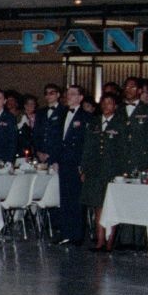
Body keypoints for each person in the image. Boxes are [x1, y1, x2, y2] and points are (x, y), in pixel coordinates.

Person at [81, 94, 124, 251]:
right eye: (104, 103)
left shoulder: (120, 124)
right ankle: (100, 240)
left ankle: (110, 241)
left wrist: (122, 172)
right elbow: (87, 147)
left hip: (112, 170)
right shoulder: (94, 122)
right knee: (97, 205)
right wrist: (84, 168)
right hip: (95, 169)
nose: (106, 106)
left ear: (115, 106)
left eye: (110, 103)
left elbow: (123, 150)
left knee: (111, 205)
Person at [52, 84, 92, 246]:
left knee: (76, 199)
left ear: (81, 98)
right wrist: (55, 159)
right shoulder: (61, 114)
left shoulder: (86, 117)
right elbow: (57, 140)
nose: (69, 97)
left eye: (73, 94)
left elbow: (87, 144)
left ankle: (76, 235)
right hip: (63, 161)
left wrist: (84, 165)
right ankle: (65, 232)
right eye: (68, 94)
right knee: (65, 198)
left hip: (76, 163)